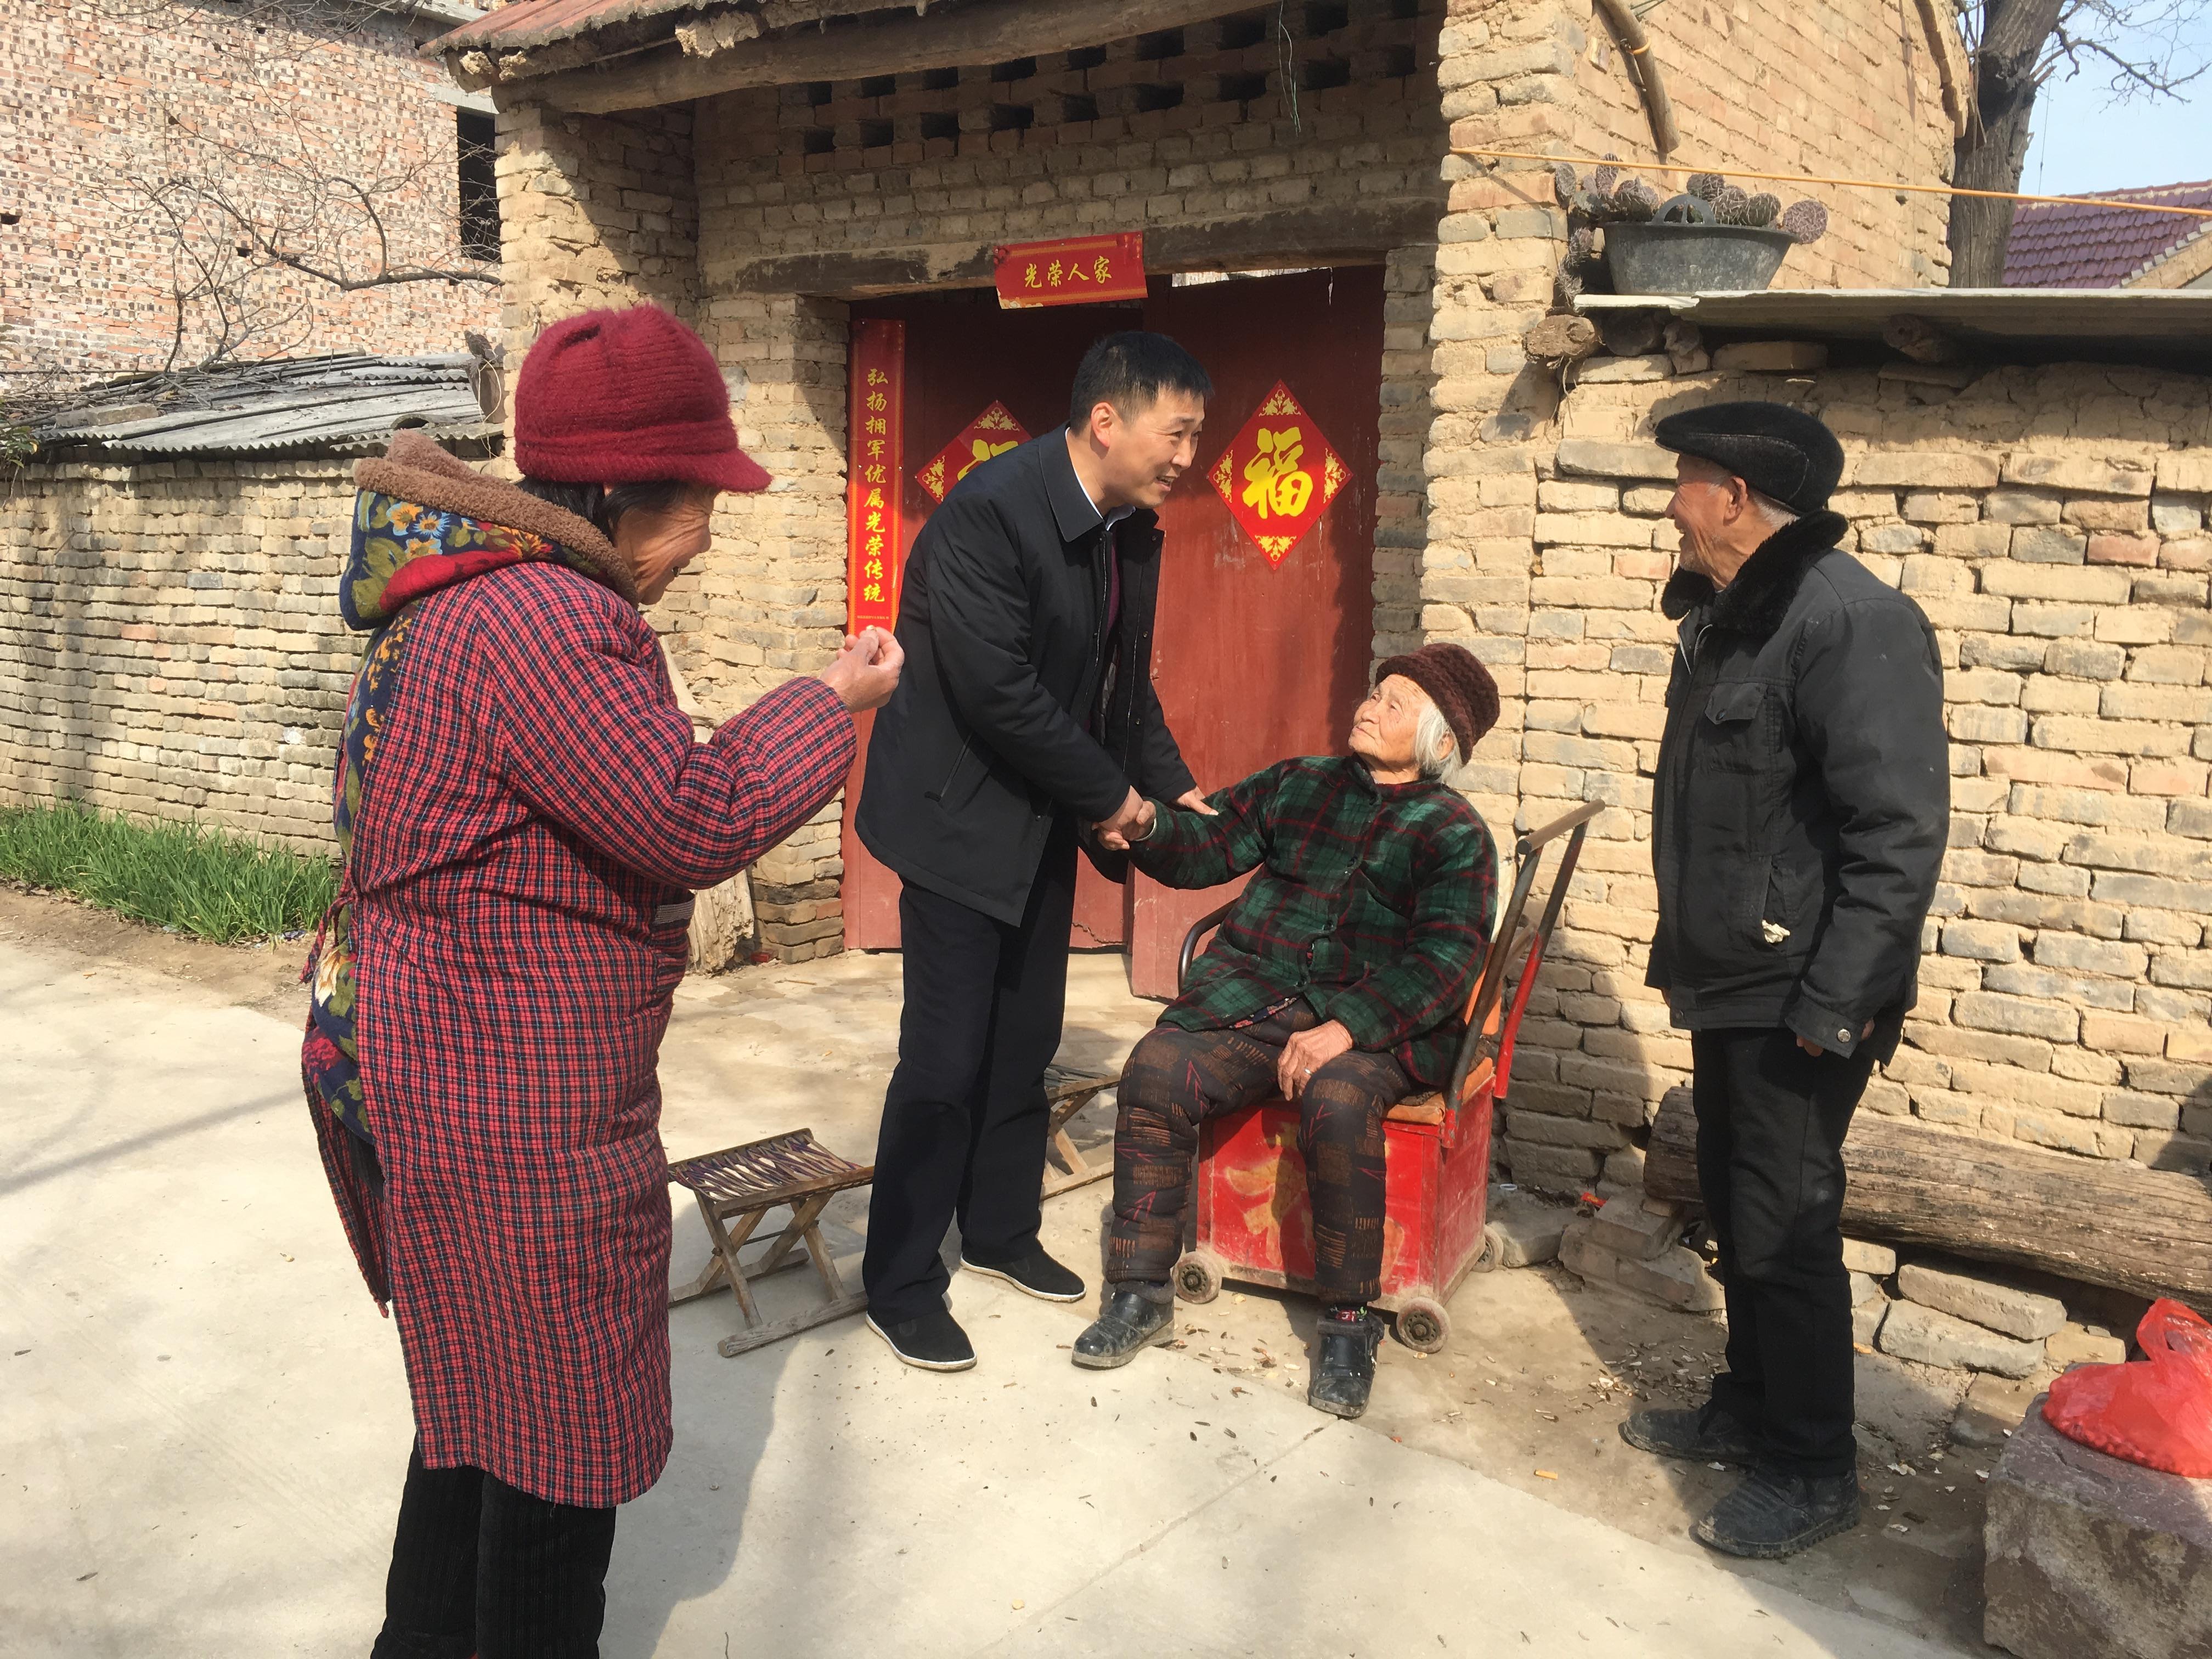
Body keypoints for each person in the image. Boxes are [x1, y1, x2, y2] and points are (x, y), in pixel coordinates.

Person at [300, 304, 903, 1659]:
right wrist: (832, 701)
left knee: (476, 1407)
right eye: (700, 505)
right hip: (505, 1102)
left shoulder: (474, 596)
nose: (709, 537)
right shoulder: (546, 620)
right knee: (556, 1439)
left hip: (450, 1065)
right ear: (623, 494)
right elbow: (689, 815)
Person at [1618, 401, 1947, 1560]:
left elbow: (1897, 834)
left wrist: (1836, 1003)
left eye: (1686, 481)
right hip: (1734, 978)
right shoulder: (1738, 618)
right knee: (1736, 1201)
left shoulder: (1851, 621)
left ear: (1736, 499)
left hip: (1800, 991)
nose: (1671, 504)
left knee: (1787, 1225)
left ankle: (1812, 1468)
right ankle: (1751, 1407)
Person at [854, 331, 1217, 1372]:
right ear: (1107, 421)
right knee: (944, 1058)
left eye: (1196, 435)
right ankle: (901, 1281)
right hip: (955, 818)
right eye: (1177, 433)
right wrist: (1115, 800)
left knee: (1025, 1037)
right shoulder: (990, 514)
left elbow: (1120, 684)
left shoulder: (1122, 530)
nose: (1187, 457)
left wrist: (1171, 785)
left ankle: (1000, 1230)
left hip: (1038, 815)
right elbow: (997, 692)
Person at [1070, 644, 1501, 1420]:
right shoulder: (1301, 782)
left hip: (1380, 1025)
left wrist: (1347, 1027)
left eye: (1395, 704)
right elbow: (1210, 844)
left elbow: (1447, 960)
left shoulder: (1456, 832)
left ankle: (1348, 1324)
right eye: (1375, 692)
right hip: (1258, 997)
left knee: (1340, 1100)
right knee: (1157, 1070)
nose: (1369, 707)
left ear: (1439, 740)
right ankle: (1138, 1293)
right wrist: (1147, 824)